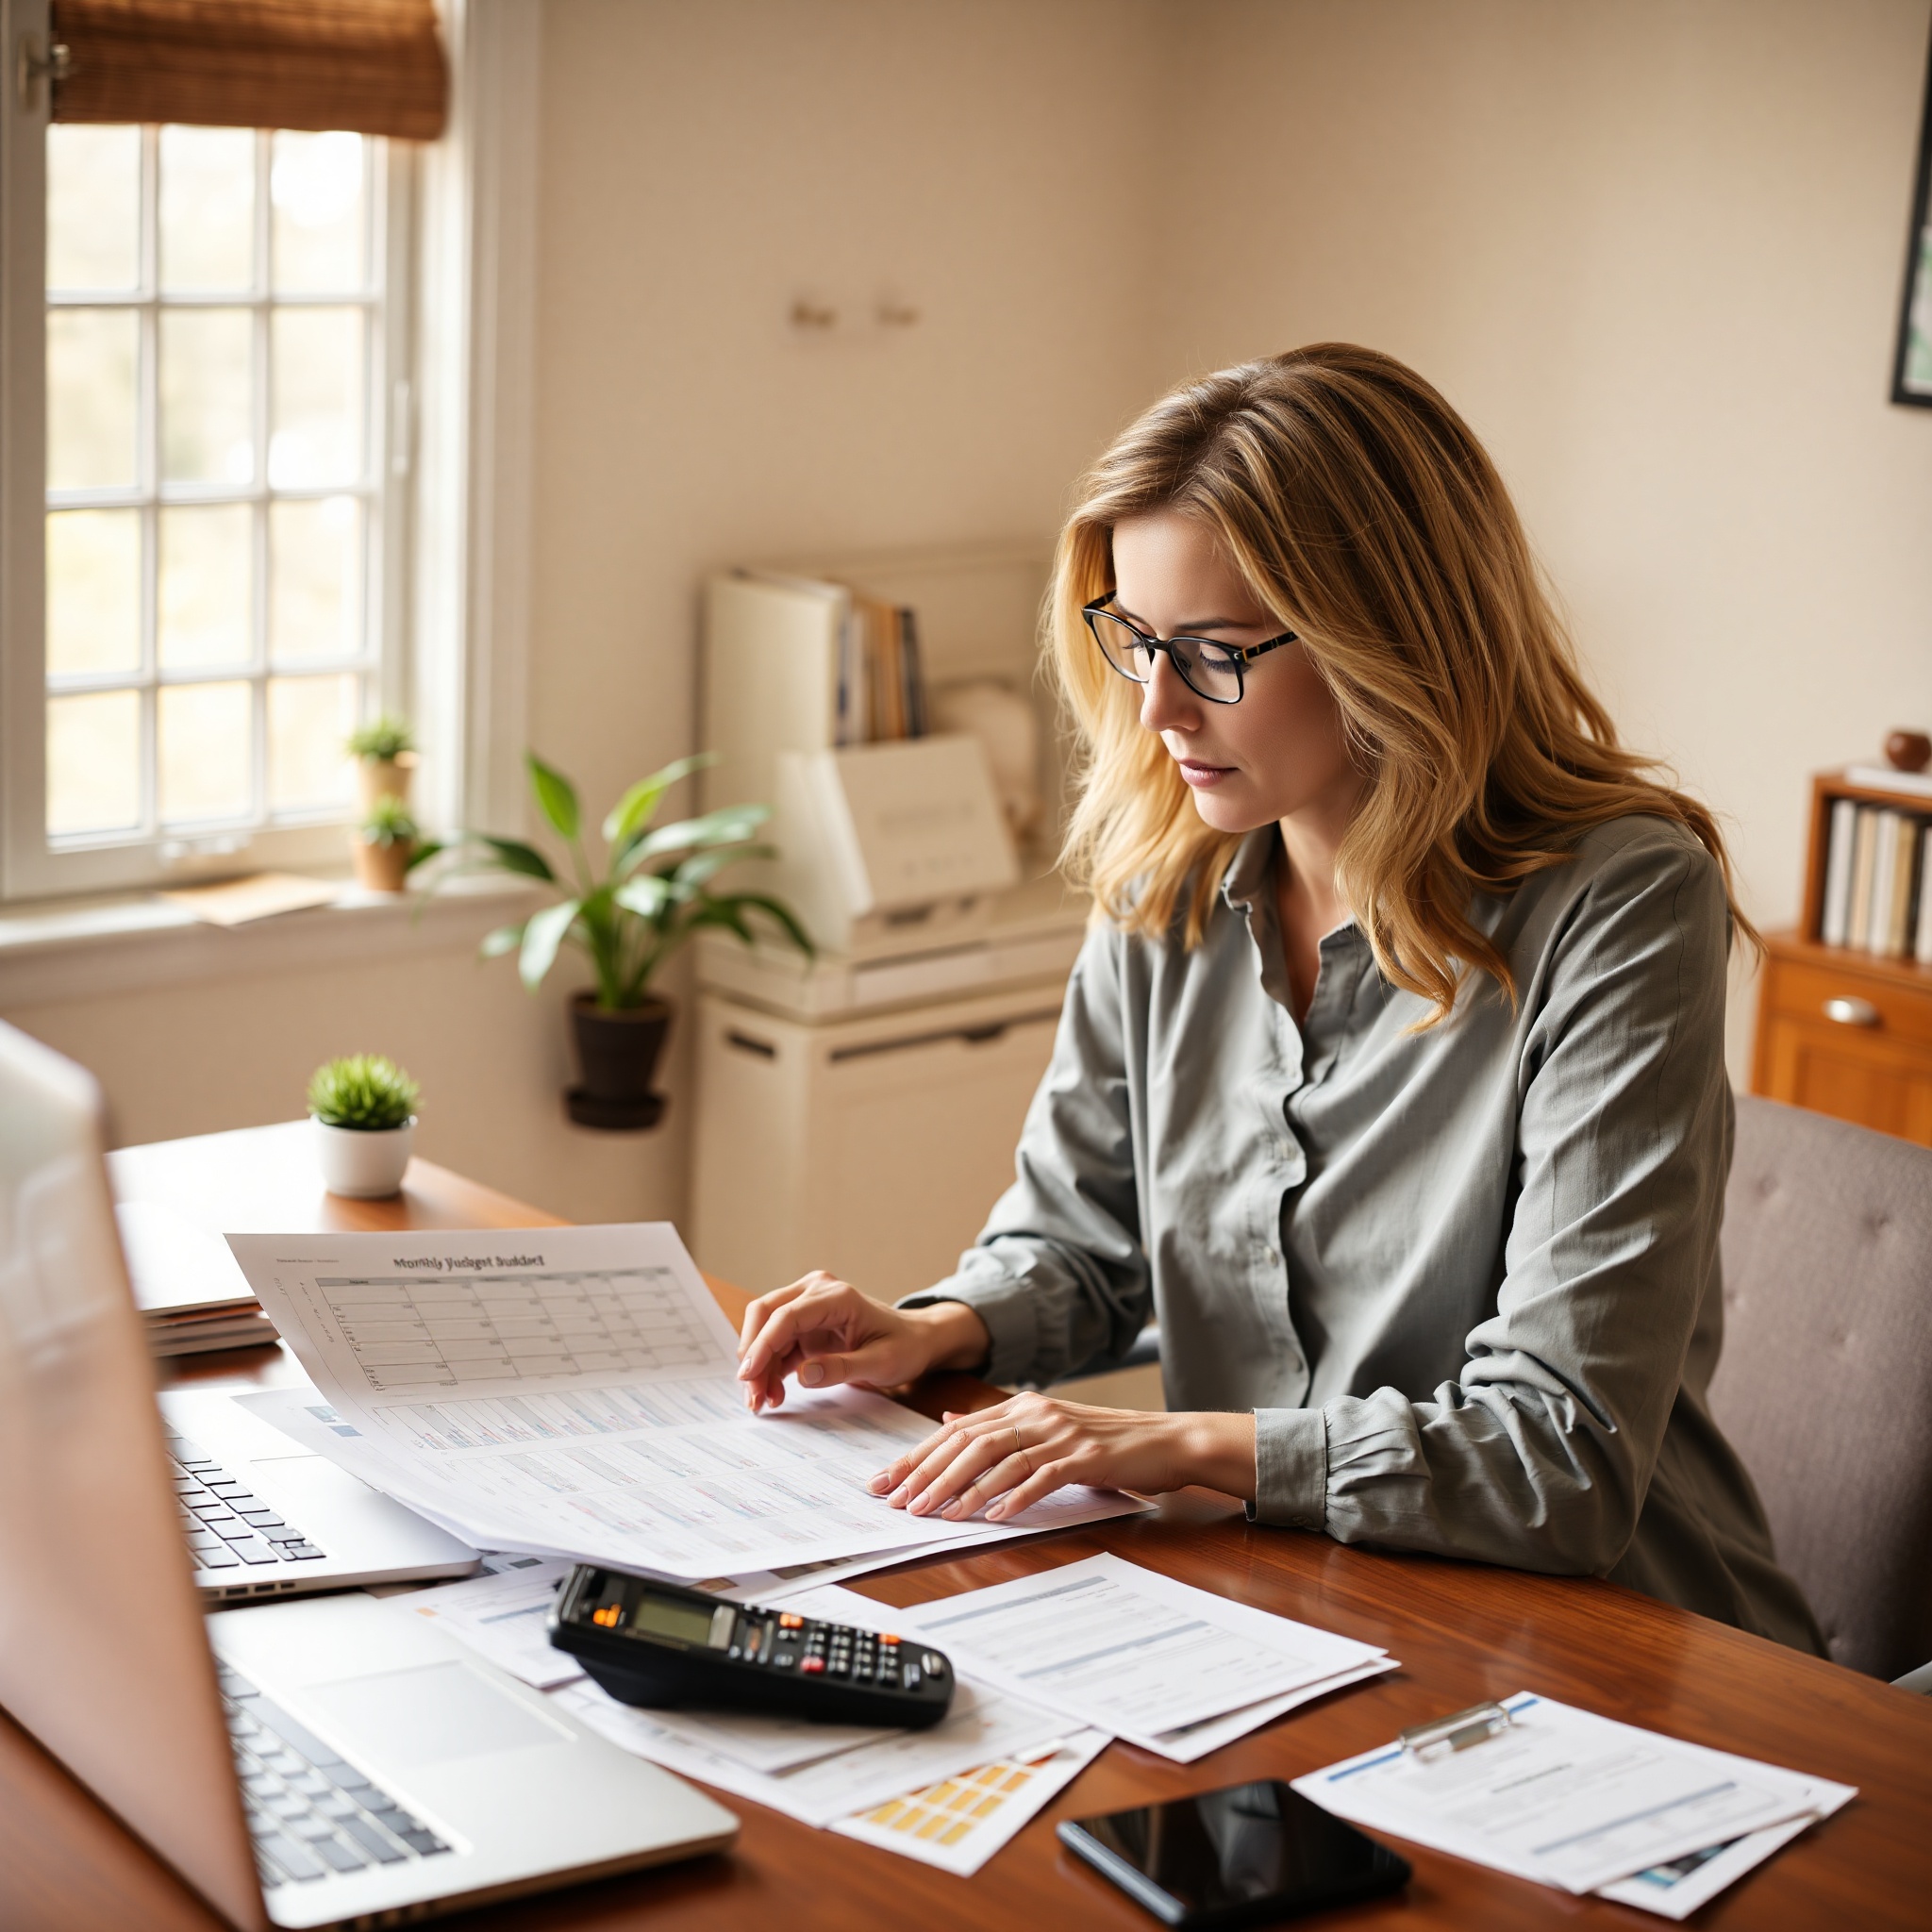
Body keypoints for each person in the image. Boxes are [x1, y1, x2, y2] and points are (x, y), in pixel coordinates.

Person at [735, 344, 1823, 1653]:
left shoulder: (1621, 899)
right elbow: (1082, 1245)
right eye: (1135, 640)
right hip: (1291, 1612)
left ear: (1391, 641)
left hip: (1610, 1647)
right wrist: (936, 1327)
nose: (1155, 710)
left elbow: (1560, 1458)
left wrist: (1175, 1443)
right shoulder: (1164, 885)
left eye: (1212, 652)